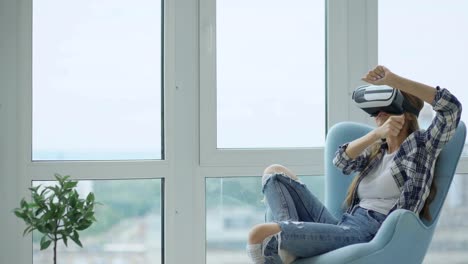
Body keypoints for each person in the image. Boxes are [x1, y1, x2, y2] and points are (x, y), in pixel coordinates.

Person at [246, 65, 462, 264]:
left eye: (385, 108)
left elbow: (451, 108)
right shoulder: (377, 151)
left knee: (258, 235)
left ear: (404, 113)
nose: (378, 114)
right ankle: (291, 246)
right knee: (274, 173)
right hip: (344, 224)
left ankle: (289, 244)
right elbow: (341, 161)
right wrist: (377, 134)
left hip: (368, 232)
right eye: (376, 111)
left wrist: (394, 80)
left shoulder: (421, 147)